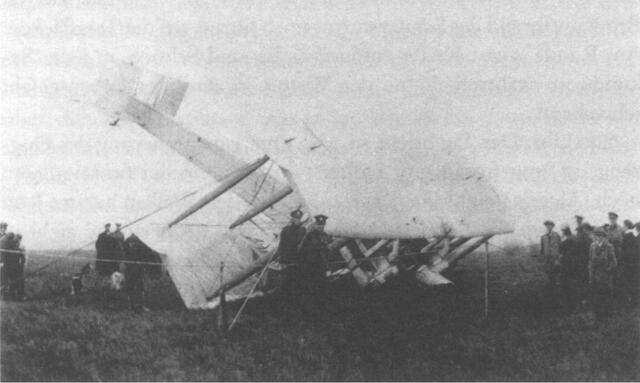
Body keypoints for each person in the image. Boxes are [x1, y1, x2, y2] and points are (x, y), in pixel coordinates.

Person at [297, 214, 330, 316]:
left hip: (321, 267)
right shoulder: (309, 236)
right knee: (309, 288)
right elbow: (300, 250)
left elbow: (326, 252)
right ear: (315, 224)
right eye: (319, 225)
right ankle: (307, 311)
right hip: (310, 267)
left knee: (321, 287)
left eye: (322, 225)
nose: (321, 227)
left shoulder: (325, 236)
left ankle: (320, 309)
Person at [276, 209, 307, 301]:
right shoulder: (286, 230)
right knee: (285, 284)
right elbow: (281, 246)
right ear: (292, 219)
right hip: (287, 262)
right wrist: (281, 261)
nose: (297, 220)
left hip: (297, 263)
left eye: (299, 218)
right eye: (296, 218)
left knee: (296, 284)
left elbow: (303, 246)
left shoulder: (302, 230)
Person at [588, 228, 617, 323]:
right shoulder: (592, 246)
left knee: (605, 295)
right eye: (597, 236)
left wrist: (607, 270)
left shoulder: (609, 246)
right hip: (595, 275)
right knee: (596, 295)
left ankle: (606, 315)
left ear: (604, 237)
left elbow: (614, 262)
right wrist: (591, 273)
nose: (599, 238)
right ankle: (597, 315)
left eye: (601, 236)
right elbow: (590, 261)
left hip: (605, 276)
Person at [539, 220, 562, 304]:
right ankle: (550, 299)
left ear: (552, 226)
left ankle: (557, 298)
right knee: (549, 279)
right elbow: (542, 250)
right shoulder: (543, 237)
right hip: (547, 262)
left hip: (555, 261)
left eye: (550, 226)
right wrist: (543, 260)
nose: (548, 227)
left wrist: (558, 259)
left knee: (556, 279)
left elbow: (561, 248)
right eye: (547, 226)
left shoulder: (557, 236)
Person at [123, 234, 147, 309]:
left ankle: (142, 305)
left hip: (139, 269)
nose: (131, 244)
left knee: (141, 287)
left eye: (133, 243)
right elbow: (125, 257)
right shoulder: (127, 243)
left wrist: (141, 263)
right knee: (130, 286)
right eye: (131, 243)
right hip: (130, 270)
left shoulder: (141, 243)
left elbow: (144, 256)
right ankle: (130, 304)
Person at [559, 225, 580, 310]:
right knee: (570, 284)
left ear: (565, 231)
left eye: (563, 231)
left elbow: (563, 253)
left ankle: (569, 304)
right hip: (570, 264)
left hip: (568, 265)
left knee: (568, 284)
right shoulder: (572, 239)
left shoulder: (567, 241)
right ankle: (571, 303)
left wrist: (562, 257)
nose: (562, 232)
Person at [619, 220, 639, 304]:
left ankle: (632, 300)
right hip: (629, 263)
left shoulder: (630, 235)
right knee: (630, 281)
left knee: (632, 281)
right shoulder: (630, 235)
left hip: (632, 263)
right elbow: (624, 250)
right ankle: (630, 299)